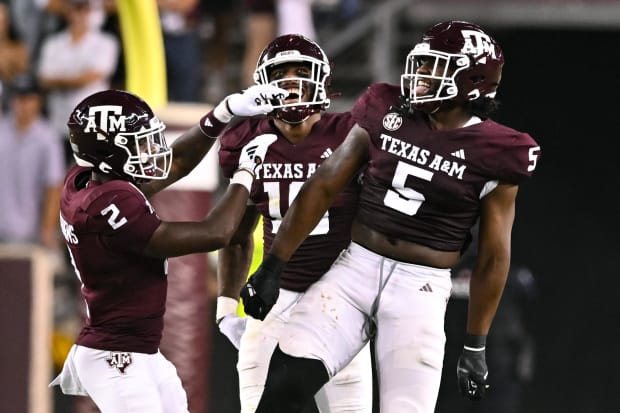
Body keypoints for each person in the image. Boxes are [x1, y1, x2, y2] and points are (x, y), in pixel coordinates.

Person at [240, 20, 542, 413]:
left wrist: (476, 342)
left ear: (472, 80)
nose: (420, 75)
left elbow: (494, 256)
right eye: (422, 63)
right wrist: (273, 264)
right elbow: (325, 184)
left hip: (420, 290)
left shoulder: (499, 151)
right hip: (354, 271)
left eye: (436, 67)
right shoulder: (386, 109)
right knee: (280, 390)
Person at [49, 82, 289, 413]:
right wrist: (246, 172)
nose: (149, 151)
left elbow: (173, 165)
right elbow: (216, 233)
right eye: (136, 144)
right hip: (115, 356)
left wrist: (225, 112)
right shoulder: (107, 208)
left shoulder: (86, 179)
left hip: (141, 352)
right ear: (107, 153)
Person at [216, 33, 373, 413]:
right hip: (275, 301)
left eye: (301, 72)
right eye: (280, 73)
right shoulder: (246, 140)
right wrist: (224, 308)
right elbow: (238, 234)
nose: (290, 82)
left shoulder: (352, 134)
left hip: (340, 305)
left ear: (321, 79)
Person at [37, 0, 119, 164]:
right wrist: (77, 78)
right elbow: (44, 79)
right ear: (68, 12)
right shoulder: (53, 43)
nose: (81, 14)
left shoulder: (106, 42)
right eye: (77, 9)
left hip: (92, 126)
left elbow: (93, 76)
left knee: (88, 176)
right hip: (58, 122)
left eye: (85, 9)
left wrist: (61, 80)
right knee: (57, 174)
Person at [0, 75, 64, 247]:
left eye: (28, 98)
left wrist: (47, 229)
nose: (23, 104)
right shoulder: (1, 132)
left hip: (32, 233)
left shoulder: (48, 138)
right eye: (19, 98)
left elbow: (54, 186)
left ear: (38, 101)